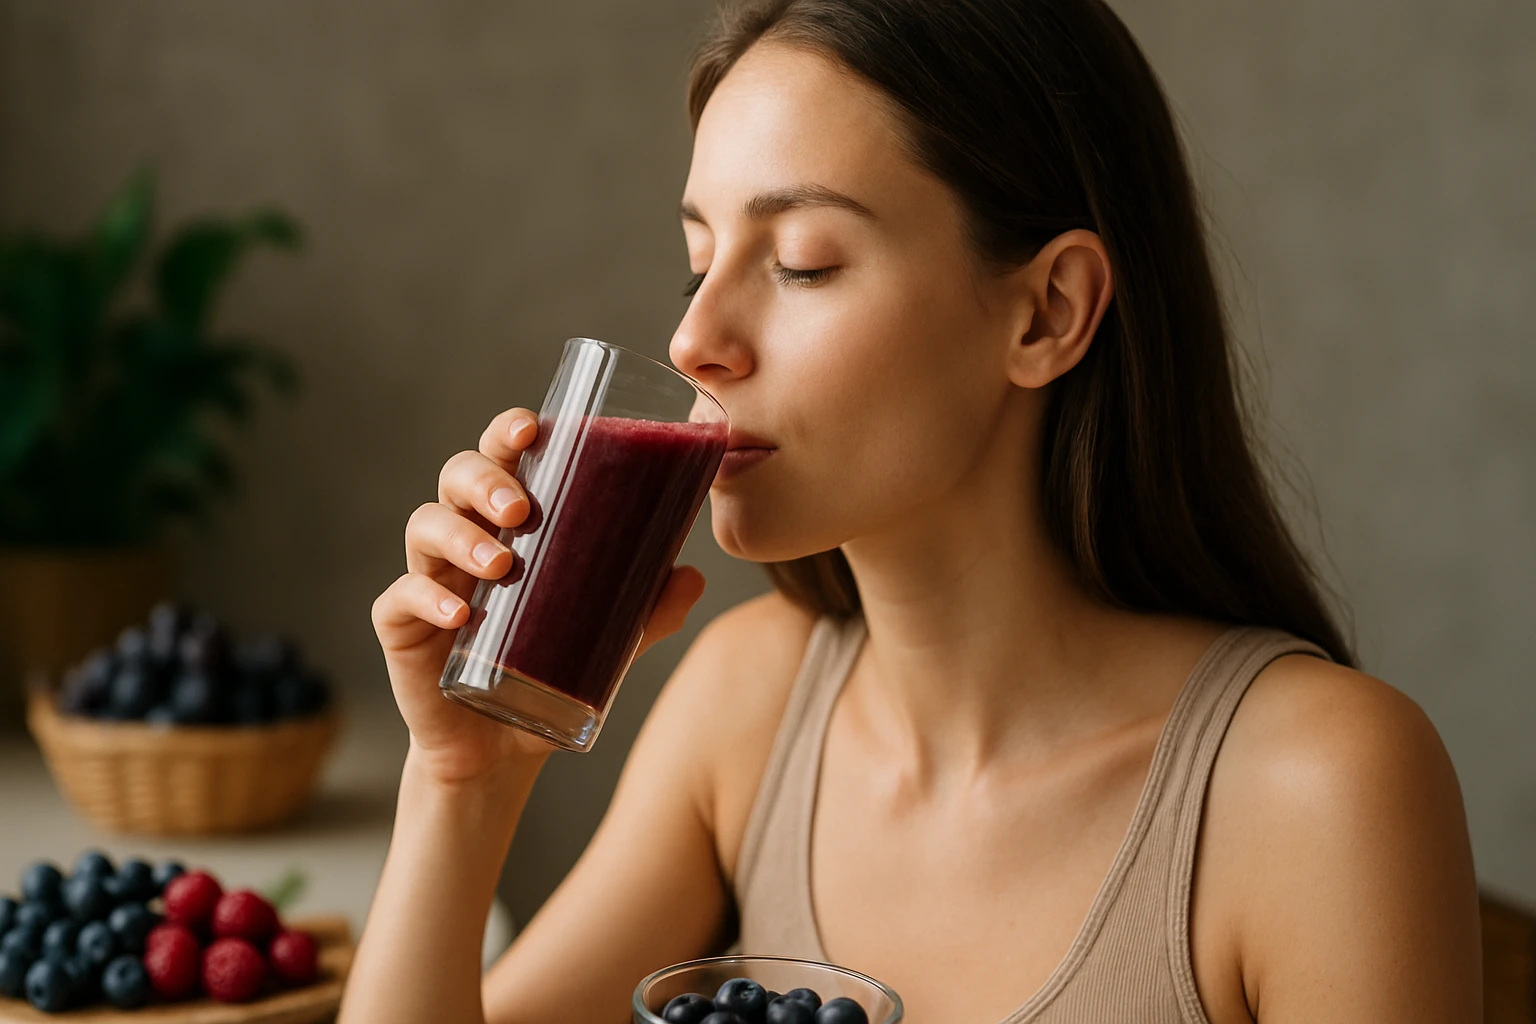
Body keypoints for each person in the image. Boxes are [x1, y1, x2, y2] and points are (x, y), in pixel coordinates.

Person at [340, 1, 1481, 1021]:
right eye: (698, 263)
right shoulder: (749, 704)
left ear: (1048, 312)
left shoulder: (1322, 789)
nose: (693, 340)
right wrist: (462, 783)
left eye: (802, 263)